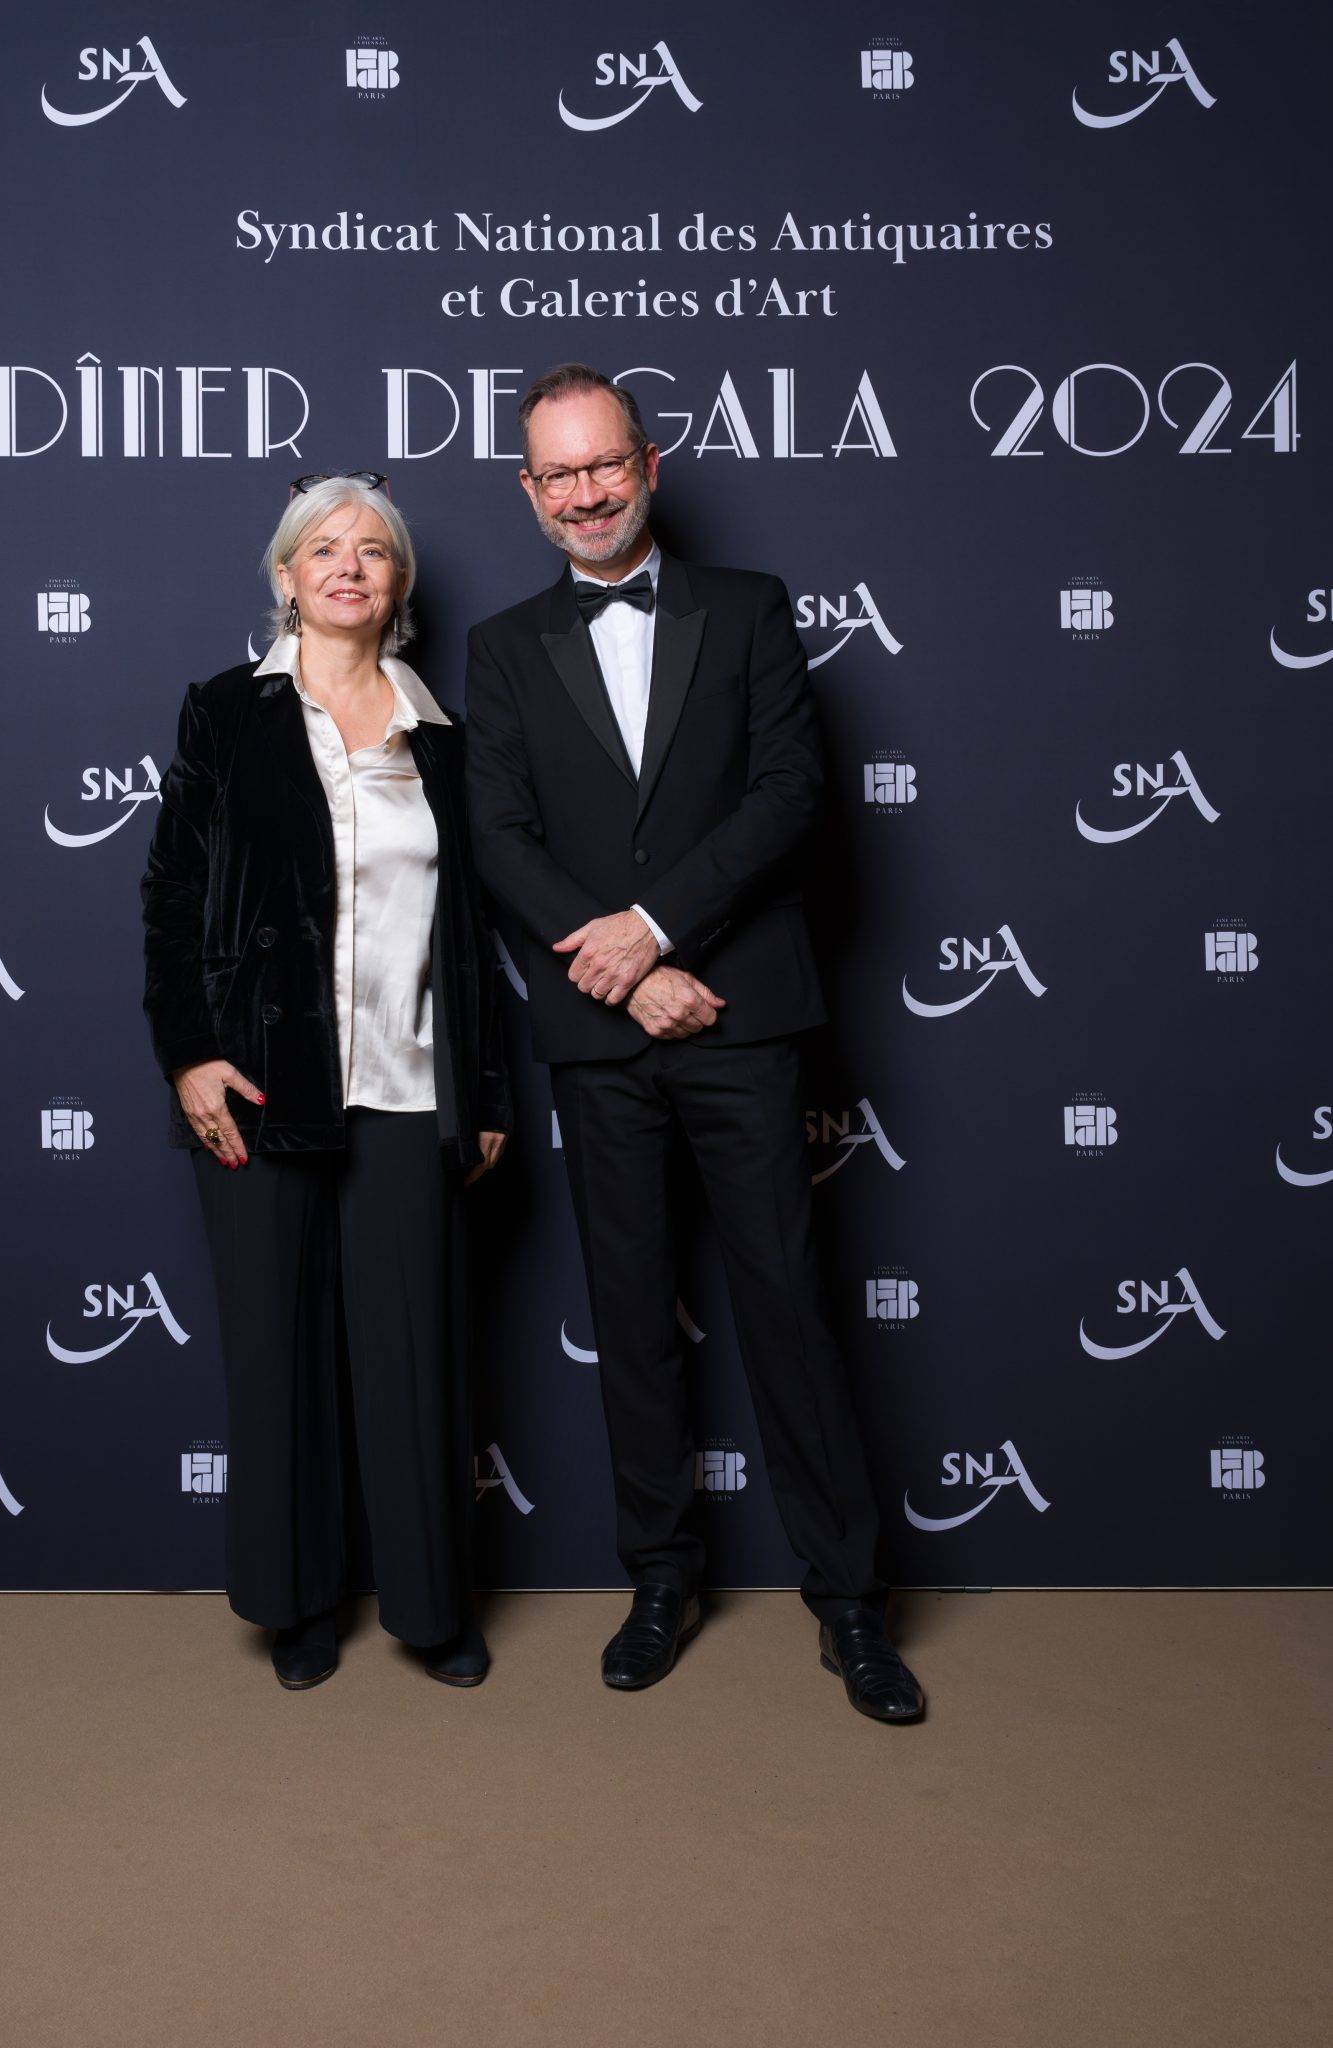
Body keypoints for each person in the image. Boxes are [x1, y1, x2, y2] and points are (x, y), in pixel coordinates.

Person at [464, 366, 923, 1723]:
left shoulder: (748, 609)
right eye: (558, 474)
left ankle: (848, 1603)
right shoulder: (499, 647)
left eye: (604, 464)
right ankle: (659, 1577)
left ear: (648, 465)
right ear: (530, 493)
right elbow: (501, 839)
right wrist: (622, 978)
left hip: (741, 1016)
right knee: (629, 1316)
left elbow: (791, 796)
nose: (586, 492)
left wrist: (657, 933)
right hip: (605, 1038)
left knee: (787, 1306)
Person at [141, 472, 510, 1691]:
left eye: (374, 552)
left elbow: (474, 934)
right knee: (276, 1350)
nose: (349, 566)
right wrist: (190, 1051)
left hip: (410, 1088)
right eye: (323, 549)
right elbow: (172, 900)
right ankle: (297, 1600)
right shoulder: (221, 713)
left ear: (399, 586)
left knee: (414, 1357)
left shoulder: (446, 734)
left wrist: (490, 1088)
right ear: (287, 576)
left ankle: (427, 1604)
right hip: (255, 1084)